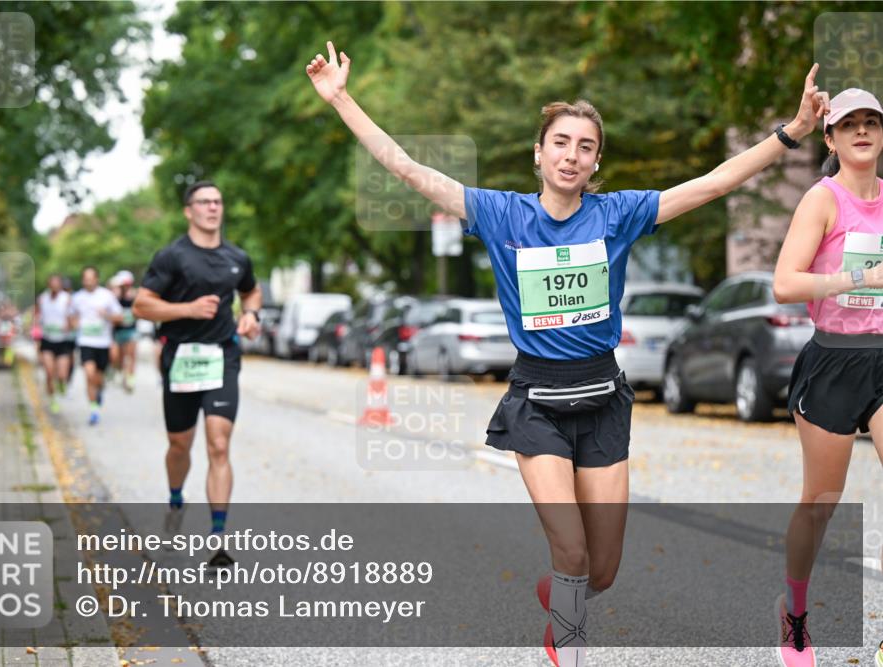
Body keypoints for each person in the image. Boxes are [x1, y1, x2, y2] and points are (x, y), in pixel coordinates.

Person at [306, 42, 829, 666]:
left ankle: (565, 595)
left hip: (603, 399)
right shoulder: (500, 215)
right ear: (539, 152)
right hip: (538, 404)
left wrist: (792, 134)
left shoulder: (618, 214)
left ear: (595, 161)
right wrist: (342, 99)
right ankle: (567, 642)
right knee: (573, 555)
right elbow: (410, 170)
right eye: (560, 142)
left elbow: (713, 183)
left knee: (600, 571)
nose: (571, 155)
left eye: (585, 146)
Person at [771, 88, 883, 667]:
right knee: (821, 502)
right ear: (831, 138)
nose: (862, 131)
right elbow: (785, 284)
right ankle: (794, 615)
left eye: (872, 122)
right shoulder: (822, 200)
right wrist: (846, 280)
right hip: (833, 359)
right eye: (850, 124)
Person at [132, 181, 261, 570]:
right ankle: (175, 500)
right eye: (204, 202)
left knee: (218, 445)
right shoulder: (172, 257)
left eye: (218, 201)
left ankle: (218, 538)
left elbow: (251, 292)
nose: (212, 208)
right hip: (181, 359)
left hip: (223, 357)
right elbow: (141, 305)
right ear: (189, 211)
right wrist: (186, 310)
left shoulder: (237, 257)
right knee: (179, 446)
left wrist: (251, 315)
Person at [68, 266, 123, 425]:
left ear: (97, 279)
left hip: (103, 343)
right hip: (85, 342)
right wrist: (74, 323)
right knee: (89, 374)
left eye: (91, 278)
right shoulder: (77, 297)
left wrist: (105, 315)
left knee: (98, 378)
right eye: (85, 279)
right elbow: (71, 317)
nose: (88, 281)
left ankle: (99, 391)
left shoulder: (107, 296)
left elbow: (119, 317)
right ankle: (94, 410)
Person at [34, 274, 74, 414]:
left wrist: (68, 327)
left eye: (57, 283)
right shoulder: (42, 299)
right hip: (47, 340)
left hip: (62, 340)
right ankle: (53, 400)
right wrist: (36, 336)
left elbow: (72, 320)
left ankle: (62, 384)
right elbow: (37, 318)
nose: (55, 285)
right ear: (48, 284)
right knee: (49, 372)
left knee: (62, 374)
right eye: (52, 283)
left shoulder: (67, 299)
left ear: (60, 284)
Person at [111, 270, 139, 393]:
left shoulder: (135, 296)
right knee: (118, 356)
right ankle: (120, 372)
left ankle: (130, 378)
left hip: (131, 330)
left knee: (131, 355)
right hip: (118, 331)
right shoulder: (114, 297)